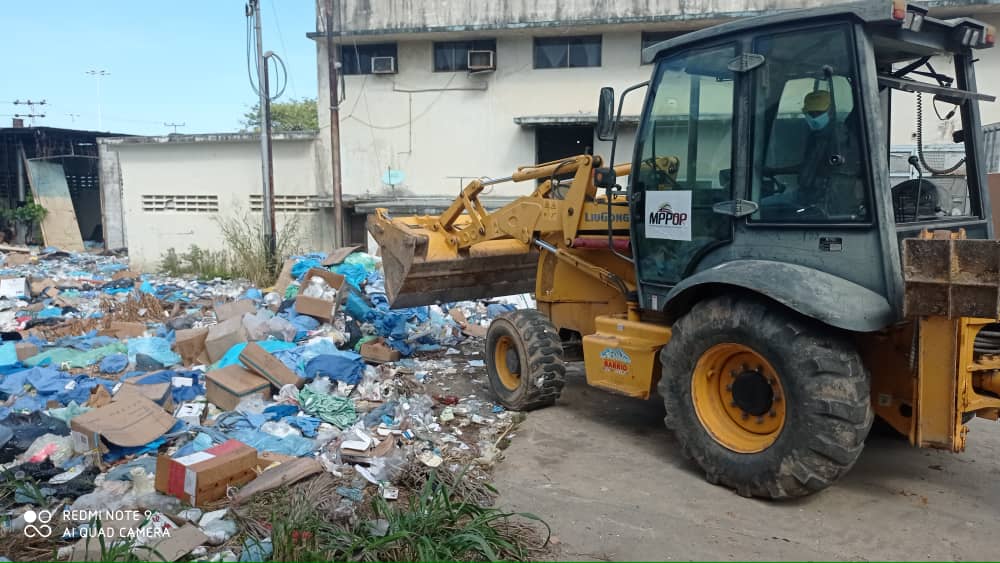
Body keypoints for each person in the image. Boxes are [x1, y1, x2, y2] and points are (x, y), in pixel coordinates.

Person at [761, 89, 866, 220]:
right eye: (811, 113)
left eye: (819, 113)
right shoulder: (818, 136)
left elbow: (839, 173)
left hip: (820, 203)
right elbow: (808, 166)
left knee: (760, 208)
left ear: (830, 111)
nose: (814, 117)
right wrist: (775, 171)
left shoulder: (839, 138)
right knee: (761, 204)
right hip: (806, 195)